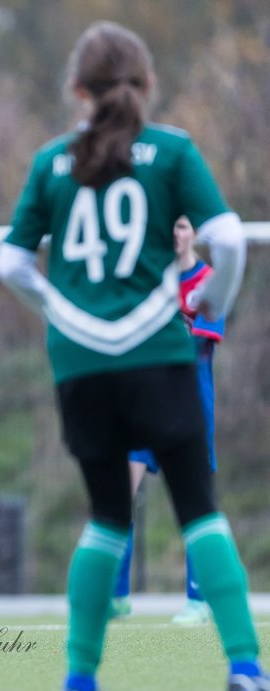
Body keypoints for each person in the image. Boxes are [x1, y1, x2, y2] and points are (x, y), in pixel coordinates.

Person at [0, 21, 263, 691]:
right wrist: (210, 301)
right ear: (147, 86)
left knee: (107, 517)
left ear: (76, 91)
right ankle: (245, 673)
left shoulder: (52, 161)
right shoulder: (170, 151)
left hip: (80, 365)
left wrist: (58, 311)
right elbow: (228, 238)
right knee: (200, 512)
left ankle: (78, 685)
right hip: (158, 353)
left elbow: (11, 261)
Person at [110, 215, 223, 625]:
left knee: (194, 501)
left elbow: (198, 349)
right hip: (143, 406)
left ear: (194, 232)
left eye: (181, 226)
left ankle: (199, 599)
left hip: (189, 408)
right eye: (169, 226)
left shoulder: (209, 279)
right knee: (119, 493)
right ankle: (116, 594)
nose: (175, 234)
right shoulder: (147, 281)